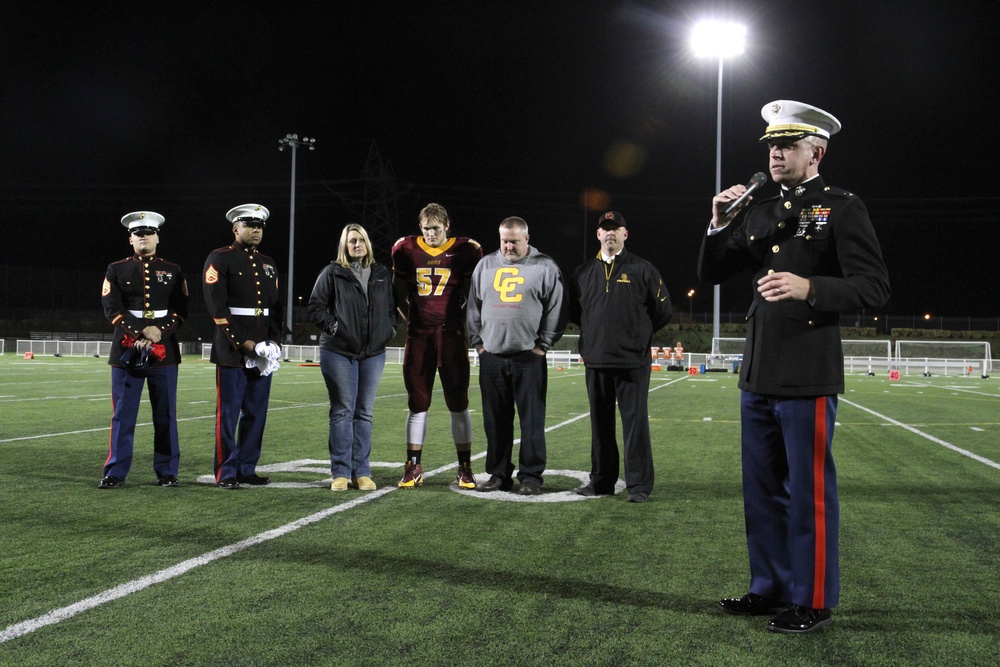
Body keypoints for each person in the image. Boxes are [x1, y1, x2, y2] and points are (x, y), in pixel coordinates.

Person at [698, 100, 890, 633]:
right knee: (760, 492)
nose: (776, 152)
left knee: (808, 493)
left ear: (817, 151)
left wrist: (811, 288)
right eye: (771, 146)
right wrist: (717, 225)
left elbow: (875, 288)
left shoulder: (842, 206)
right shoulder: (758, 204)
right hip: (759, 369)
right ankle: (770, 588)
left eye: (787, 145)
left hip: (807, 371)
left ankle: (815, 599)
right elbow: (713, 272)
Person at [568, 211, 672, 504]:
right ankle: (601, 480)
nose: (610, 233)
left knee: (635, 425)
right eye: (605, 229)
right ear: (598, 234)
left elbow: (662, 311)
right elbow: (576, 313)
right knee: (600, 425)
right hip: (597, 359)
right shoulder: (582, 273)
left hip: (632, 362)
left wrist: (637, 335)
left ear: (625, 234)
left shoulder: (644, 269)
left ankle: (638, 485)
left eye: (616, 229)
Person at [466, 216, 566, 495]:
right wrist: (479, 346)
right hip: (492, 356)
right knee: (495, 420)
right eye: (504, 241)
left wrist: (542, 346)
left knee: (532, 420)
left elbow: (556, 308)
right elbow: (473, 308)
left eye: (514, 241)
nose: (508, 246)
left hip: (528, 357)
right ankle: (499, 474)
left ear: (526, 239)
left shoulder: (545, 266)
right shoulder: (485, 265)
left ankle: (531, 476)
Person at [391, 203, 483, 489]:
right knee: (417, 403)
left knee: (459, 403)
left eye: (436, 228)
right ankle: (413, 466)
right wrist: (415, 322)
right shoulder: (404, 249)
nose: (430, 233)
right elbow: (398, 295)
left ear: (447, 226)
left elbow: (473, 295)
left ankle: (465, 467)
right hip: (420, 336)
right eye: (426, 228)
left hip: (453, 335)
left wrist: (463, 324)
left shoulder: (468, 249)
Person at [99, 211, 188, 489]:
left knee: (165, 414)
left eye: (149, 232)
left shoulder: (173, 269)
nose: (144, 237)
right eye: (138, 234)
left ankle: (167, 471)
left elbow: (181, 309)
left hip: (165, 350)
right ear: (131, 239)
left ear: (157, 237)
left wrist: (158, 331)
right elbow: (112, 307)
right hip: (126, 349)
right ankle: (115, 471)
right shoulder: (116, 268)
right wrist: (139, 330)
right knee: (123, 414)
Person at [308, 224, 398, 491]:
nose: (356, 245)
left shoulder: (382, 273)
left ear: (367, 244)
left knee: (364, 413)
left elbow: (392, 309)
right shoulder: (332, 273)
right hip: (338, 352)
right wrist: (336, 328)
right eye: (351, 241)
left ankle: (363, 472)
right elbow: (315, 308)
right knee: (342, 411)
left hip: (373, 353)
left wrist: (388, 330)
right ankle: (340, 473)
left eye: (360, 240)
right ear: (344, 246)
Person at [203, 204, 283, 490]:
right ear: (236, 228)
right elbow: (216, 305)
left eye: (260, 226)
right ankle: (226, 472)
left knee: (256, 414)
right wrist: (241, 342)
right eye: (250, 225)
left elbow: (275, 306)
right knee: (228, 415)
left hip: (263, 350)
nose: (256, 230)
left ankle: (247, 468)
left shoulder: (268, 263)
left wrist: (275, 340)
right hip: (232, 350)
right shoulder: (220, 258)